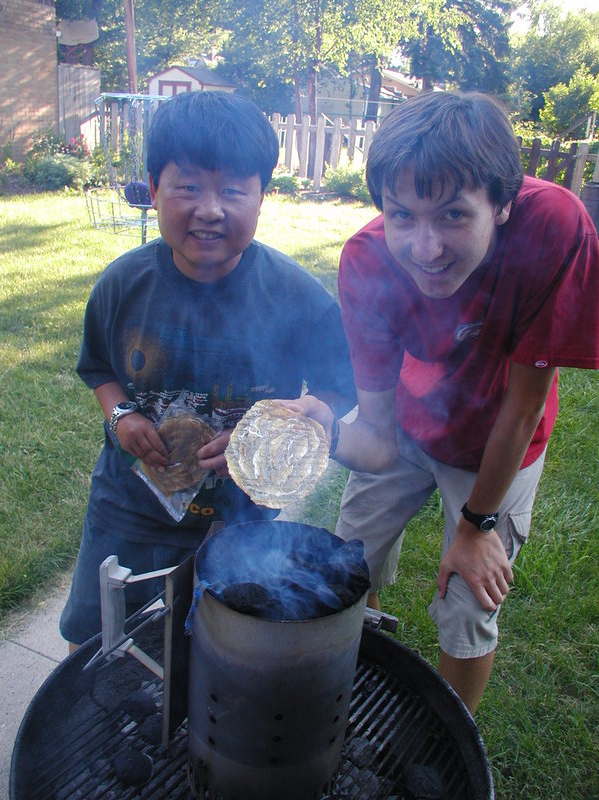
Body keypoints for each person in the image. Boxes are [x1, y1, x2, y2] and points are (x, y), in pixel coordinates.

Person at [282, 90, 599, 713]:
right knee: (350, 564)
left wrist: (477, 527)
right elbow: (377, 437)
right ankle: (362, 682)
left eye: (453, 215)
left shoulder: (554, 227)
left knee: (468, 601)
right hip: (411, 422)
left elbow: (524, 405)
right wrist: (326, 431)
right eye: (402, 215)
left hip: (497, 440)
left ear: (502, 204)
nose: (425, 248)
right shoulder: (367, 261)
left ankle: (442, 744)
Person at [60, 90, 356, 649]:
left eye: (234, 190)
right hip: (130, 502)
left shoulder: (297, 299)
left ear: (263, 196)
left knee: (223, 639)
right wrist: (121, 415)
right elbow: (99, 368)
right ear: (154, 189)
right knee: (95, 632)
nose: (211, 209)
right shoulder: (123, 286)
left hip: (241, 515)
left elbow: (338, 388)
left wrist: (306, 415)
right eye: (189, 187)